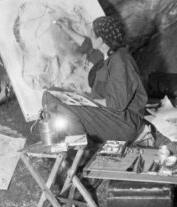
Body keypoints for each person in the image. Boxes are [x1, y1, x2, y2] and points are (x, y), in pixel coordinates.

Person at [42, 15, 148, 144]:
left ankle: (81, 151)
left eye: (92, 33)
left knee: (63, 107)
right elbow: (87, 45)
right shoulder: (106, 54)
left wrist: (85, 99)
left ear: (101, 40)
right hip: (107, 113)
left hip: (122, 123)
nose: (89, 35)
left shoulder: (120, 61)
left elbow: (116, 104)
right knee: (50, 94)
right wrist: (68, 30)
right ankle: (68, 139)